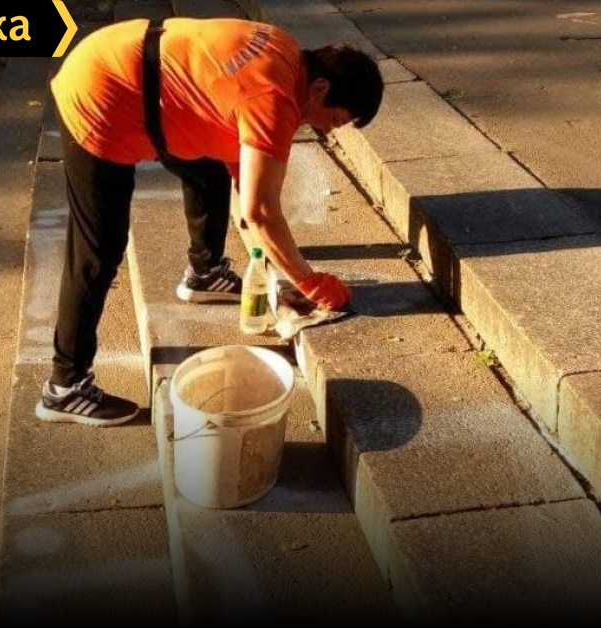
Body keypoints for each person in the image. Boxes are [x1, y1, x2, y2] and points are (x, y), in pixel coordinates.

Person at [34, 16, 384, 427]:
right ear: (320, 88)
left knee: (208, 167)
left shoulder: (286, 52)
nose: (327, 131)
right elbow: (260, 211)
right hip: (101, 90)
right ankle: (65, 386)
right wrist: (309, 282)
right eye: (335, 120)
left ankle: (206, 272)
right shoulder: (274, 97)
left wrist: (269, 258)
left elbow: (246, 181)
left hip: (136, 65)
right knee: (99, 249)